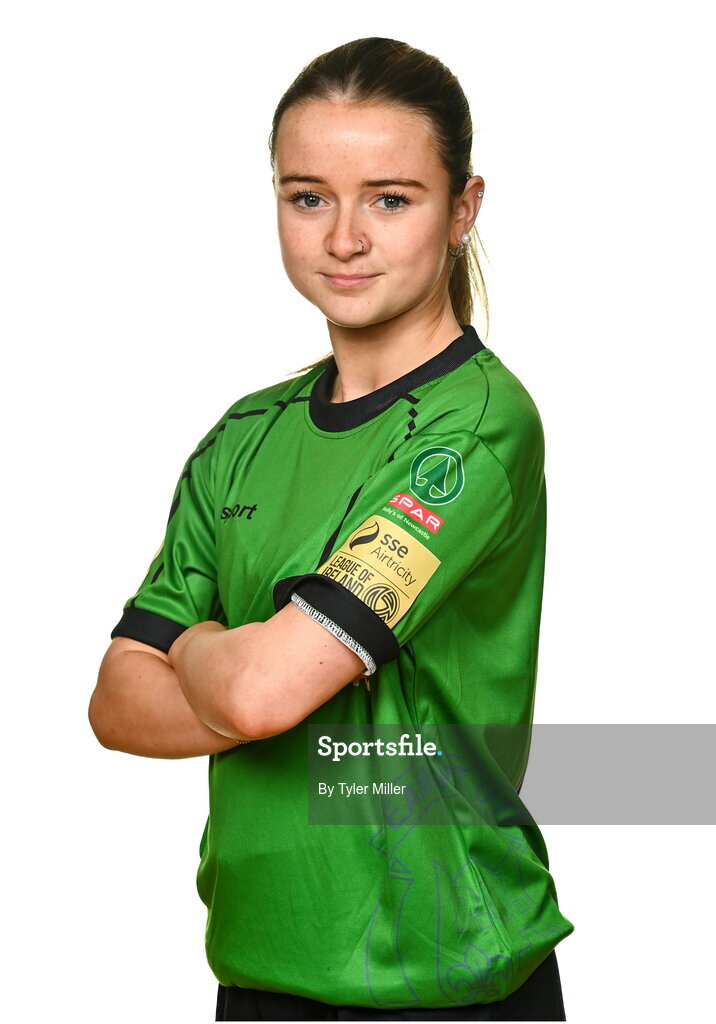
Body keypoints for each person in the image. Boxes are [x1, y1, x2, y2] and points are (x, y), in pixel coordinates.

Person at [88, 36, 574, 1022]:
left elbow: (265, 693)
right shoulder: (245, 436)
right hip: (262, 970)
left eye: (389, 198)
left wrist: (190, 644)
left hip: (440, 976)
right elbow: (113, 703)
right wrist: (248, 660)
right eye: (307, 196)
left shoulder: (472, 426)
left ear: (460, 210)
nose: (342, 237)